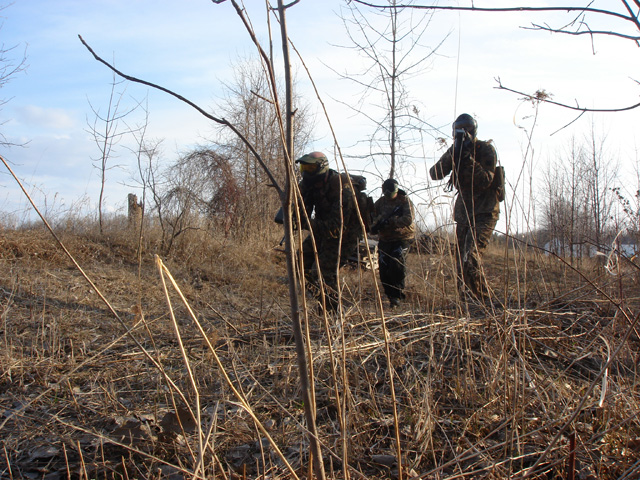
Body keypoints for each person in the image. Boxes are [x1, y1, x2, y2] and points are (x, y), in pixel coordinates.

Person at [429, 113, 501, 301]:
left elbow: (486, 180)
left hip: (485, 210)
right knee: (461, 261)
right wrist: (454, 154)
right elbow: (435, 174)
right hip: (464, 213)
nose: (461, 134)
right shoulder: (455, 150)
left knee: (471, 257)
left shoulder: (485, 149)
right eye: (457, 131)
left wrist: (468, 157)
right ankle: (467, 301)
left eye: (465, 130)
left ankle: (485, 301)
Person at [296, 151, 358, 311]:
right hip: (322, 229)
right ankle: (322, 299)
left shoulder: (341, 187)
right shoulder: (308, 185)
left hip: (345, 235)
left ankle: (331, 313)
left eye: (310, 168)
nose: (306, 172)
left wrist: (306, 223)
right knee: (299, 262)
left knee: (323, 271)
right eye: (304, 167)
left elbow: (335, 228)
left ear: (322, 167)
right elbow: (302, 210)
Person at [370, 178, 416, 308]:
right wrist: (375, 226)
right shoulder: (380, 203)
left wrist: (392, 222)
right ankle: (390, 296)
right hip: (385, 239)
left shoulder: (404, 201)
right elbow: (372, 219)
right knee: (384, 268)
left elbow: (408, 219)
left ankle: (397, 295)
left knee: (396, 262)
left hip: (402, 238)